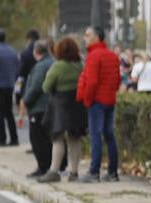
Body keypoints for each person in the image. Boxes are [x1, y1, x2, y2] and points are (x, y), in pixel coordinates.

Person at [76, 25, 121, 182]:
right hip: (109, 99)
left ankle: (94, 172)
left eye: (87, 35)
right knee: (109, 134)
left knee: (95, 135)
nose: (85, 38)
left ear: (96, 38)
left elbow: (92, 82)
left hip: (97, 100)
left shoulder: (93, 56)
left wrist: (87, 100)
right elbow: (117, 80)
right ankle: (113, 172)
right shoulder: (112, 55)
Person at [39, 37, 86, 182]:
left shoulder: (58, 66)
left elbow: (46, 87)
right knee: (75, 138)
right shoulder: (81, 65)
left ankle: (54, 171)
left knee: (57, 137)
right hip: (77, 104)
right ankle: (74, 172)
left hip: (60, 104)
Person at [19, 41, 54, 177]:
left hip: (39, 107)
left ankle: (43, 167)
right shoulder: (52, 62)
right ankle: (50, 166)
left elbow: (36, 86)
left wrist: (26, 100)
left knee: (38, 139)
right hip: (51, 106)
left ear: (36, 52)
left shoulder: (40, 66)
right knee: (48, 138)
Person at [0, 29, 21, 147]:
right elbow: (17, 70)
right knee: (9, 113)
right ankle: (14, 138)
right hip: (9, 85)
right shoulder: (12, 51)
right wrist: (13, 80)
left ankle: (1, 139)